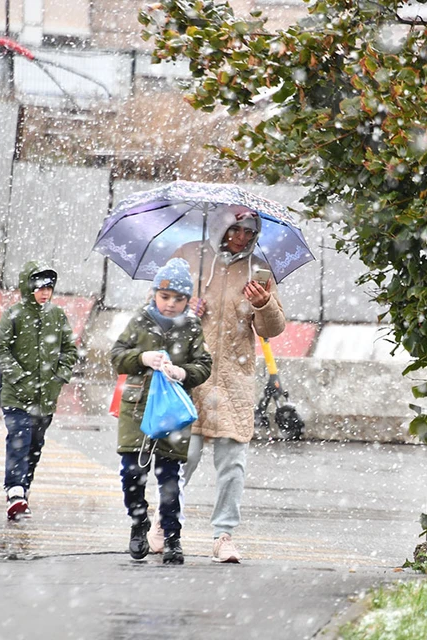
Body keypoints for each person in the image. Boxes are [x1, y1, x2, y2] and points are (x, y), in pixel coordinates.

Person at [168, 207, 285, 563]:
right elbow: (155, 310)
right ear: (222, 227)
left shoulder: (257, 271)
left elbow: (273, 328)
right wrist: (184, 310)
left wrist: (263, 306)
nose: (244, 238)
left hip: (234, 381)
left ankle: (224, 535)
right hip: (190, 376)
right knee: (181, 458)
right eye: (238, 230)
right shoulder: (188, 257)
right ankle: (164, 523)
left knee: (233, 463)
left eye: (251, 232)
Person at [110, 258, 212, 564]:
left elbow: (204, 364)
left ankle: (172, 537)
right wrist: (142, 358)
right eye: (164, 297)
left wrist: (183, 373)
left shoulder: (192, 326)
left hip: (172, 412)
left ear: (187, 300)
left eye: (179, 299)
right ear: (154, 294)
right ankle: (138, 522)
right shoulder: (140, 320)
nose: (170, 304)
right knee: (132, 473)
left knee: (169, 479)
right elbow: (117, 356)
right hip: (138, 410)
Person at [0, 261, 78, 521]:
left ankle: (22, 492)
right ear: (28, 287)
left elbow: (69, 350)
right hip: (16, 396)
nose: (45, 292)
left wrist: (60, 375)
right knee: (20, 439)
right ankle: (14, 491)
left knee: (35, 446)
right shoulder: (14, 314)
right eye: (39, 287)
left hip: (45, 398)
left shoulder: (57, 315)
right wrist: (18, 376)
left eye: (49, 287)